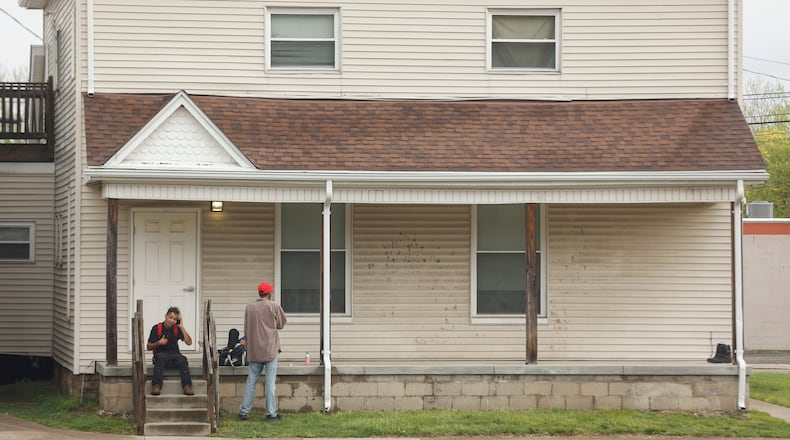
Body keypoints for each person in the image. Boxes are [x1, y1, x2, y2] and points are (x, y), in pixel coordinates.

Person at [239, 281, 287, 421]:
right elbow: (281, 324)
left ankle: (244, 412)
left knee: (251, 381)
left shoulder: (250, 308)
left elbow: (246, 328)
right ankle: (271, 413)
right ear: (269, 293)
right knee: (270, 382)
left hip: (254, 350)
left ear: (259, 293)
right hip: (270, 349)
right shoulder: (274, 306)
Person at [147, 306, 194, 396]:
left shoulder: (177, 328)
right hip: (161, 356)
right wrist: (159, 343)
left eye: (175, 319)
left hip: (174, 356)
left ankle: (187, 386)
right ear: (166, 316)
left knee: (183, 359)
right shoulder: (157, 328)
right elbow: (149, 346)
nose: (172, 321)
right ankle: (156, 385)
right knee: (159, 357)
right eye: (170, 318)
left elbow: (189, 342)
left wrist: (182, 327)